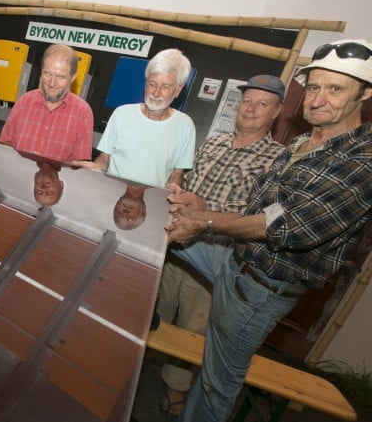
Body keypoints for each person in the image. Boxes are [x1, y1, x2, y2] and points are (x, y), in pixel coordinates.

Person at [165, 39, 372, 422]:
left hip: (260, 288)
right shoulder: (302, 143)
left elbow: (288, 226)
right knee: (161, 229)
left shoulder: (362, 161)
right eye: (313, 87)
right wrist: (200, 210)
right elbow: (263, 208)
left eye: (334, 88)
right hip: (236, 260)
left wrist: (205, 221)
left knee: (217, 381)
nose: (318, 98)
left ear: (365, 93)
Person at [156, 74, 286, 418]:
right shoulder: (214, 141)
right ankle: (128, 368)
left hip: (216, 257)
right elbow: (188, 180)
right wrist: (177, 190)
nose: (251, 109)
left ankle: (175, 387)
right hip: (177, 243)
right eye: (247, 101)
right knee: (153, 312)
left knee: (193, 328)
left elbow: (260, 221)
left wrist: (204, 210)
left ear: (276, 112)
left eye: (262, 104)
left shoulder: (278, 160)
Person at [73, 48, 195, 187]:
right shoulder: (122, 114)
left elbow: (177, 173)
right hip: (110, 194)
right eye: (152, 84)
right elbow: (105, 158)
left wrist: (174, 188)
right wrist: (94, 168)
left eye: (165, 87)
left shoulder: (185, 126)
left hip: (149, 203)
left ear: (178, 90)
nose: (156, 93)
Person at [0, 44, 93, 162]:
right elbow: (5, 142)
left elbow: (81, 163)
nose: (52, 83)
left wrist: (50, 166)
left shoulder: (83, 112)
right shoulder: (24, 102)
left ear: (73, 77)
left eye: (60, 77)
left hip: (57, 179)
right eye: (47, 74)